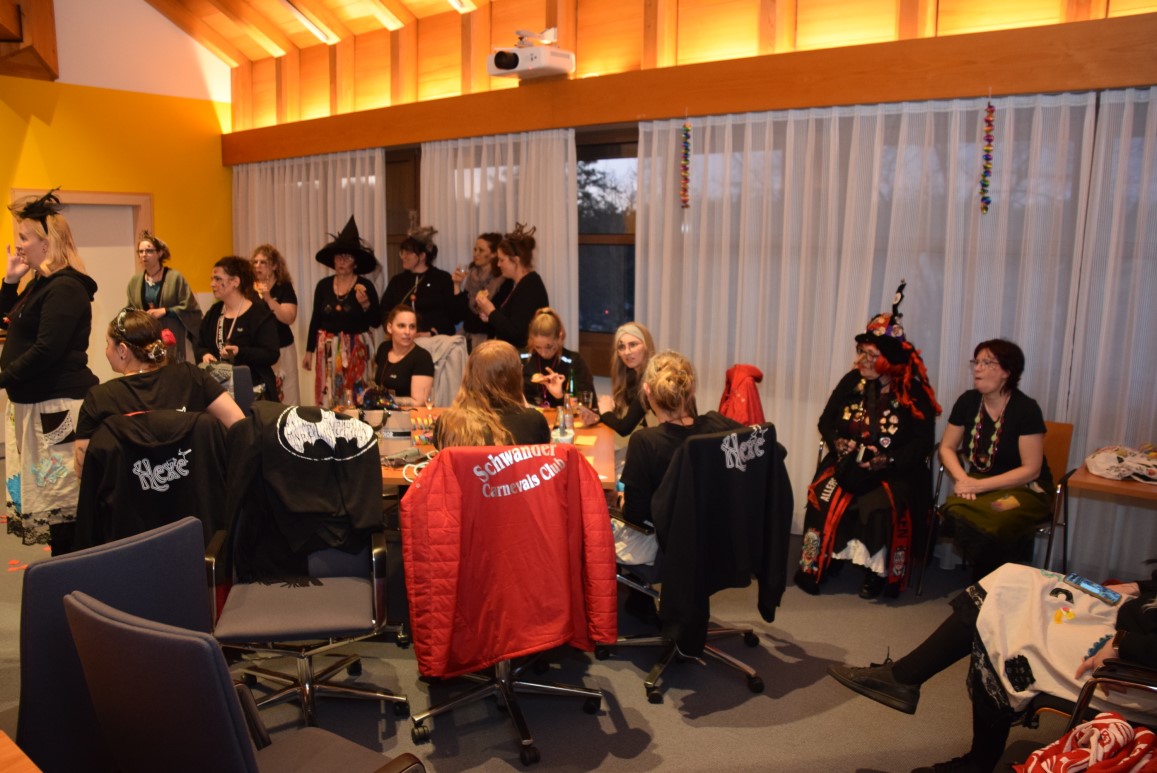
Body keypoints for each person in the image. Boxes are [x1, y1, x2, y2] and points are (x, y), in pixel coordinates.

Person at [827, 561, 1157, 773]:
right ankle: (903, 678)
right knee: (1011, 578)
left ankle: (975, 759)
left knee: (1006, 627)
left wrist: (1121, 646)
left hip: (1133, 659)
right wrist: (1141, 587)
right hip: (1134, 618)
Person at [795, 282, 940, 599]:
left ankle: (878, 572)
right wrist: (838, 444)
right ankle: (824, 558)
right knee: (823, 497)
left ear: (889, 360)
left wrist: (886, 460)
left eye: (871, 355)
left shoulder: (914, 394)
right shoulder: (852, 381)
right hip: (847, 463)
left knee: (877, 506)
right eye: (861, 352)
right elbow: (825, 421)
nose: (862, 359)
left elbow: (922, 444)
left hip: (895, 469)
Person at [1, 190, 98, 553]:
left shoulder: (66, 287)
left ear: (48, 243)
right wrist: (10, 282)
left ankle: (75, 572)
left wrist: (2, 378)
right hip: (36, 405)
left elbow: (47, 350)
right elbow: (7, 322)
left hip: (57, 407)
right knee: (54, 505)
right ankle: (66, 571)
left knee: (64, 504)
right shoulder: (40, 284)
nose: (18, 245)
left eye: (24, 237)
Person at [74, 308, 244, 472]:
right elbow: (238, 423)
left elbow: (83, 468)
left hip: (130, 492)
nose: (106, 350)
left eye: (108, 344)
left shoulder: (100, 398)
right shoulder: (191, 376)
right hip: (196, 488)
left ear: (123, 350)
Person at [615, 350, 744, 566]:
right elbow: (772, 449)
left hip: (665, 546)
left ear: (647, 390)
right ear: (692, 391)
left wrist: (621, 500)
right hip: (717, 541)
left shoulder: (645, 441)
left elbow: (635, 514)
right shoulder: (717, 424)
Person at [938, 339, 1052, 579]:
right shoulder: (968, 401)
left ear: (1006, 372)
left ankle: (989, 585)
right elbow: (946, 447)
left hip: (1024, 490)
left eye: (987, 363)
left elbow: (1031, 470)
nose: (978, 369)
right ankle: (989, 585)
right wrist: (962, 479)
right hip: (976, 483)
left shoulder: (1026, 408)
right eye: (977, 362)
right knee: (955, 509)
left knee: (996, 516)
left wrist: (978, 486)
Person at [302, 216, 381, 407]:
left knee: (357, 395)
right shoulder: (323, 286)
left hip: (357, 349)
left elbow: (376, 321)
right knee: (330, 394)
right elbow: (316, 318)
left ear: (356, 262)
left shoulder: (366, 286)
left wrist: (365, 304)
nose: (342, 261)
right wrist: (309, 351)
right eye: (338, 257)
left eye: (347, 257)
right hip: (328, 349)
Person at [434, 340, 550, 448]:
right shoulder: (534, 422)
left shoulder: (446, 423)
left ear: (469, 375)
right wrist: (524, 404)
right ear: (514, 377)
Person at [196, 256, 280, 402]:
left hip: (253, 391)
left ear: (235, 281)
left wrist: (240, 352)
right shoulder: (214, 313)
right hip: (219, 393)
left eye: (218, 279)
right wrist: (205, 354)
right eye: (212, 279)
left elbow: (271, 354)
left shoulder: (259, 314)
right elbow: (199, 344)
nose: (212, 284)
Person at [125, 230, 202, 363]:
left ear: (160, 253)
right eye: (141, 251)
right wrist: (139, 315)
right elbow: (130, 310)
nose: (144, 255)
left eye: (149, 251)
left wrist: (166, 311)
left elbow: (190, 308)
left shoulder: (175, 278)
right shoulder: (135, 281)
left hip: (172, 339)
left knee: (171, 367)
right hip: (146, 340)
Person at [474, 224, 549, 349]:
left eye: (502, 260)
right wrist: (491, 317)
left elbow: (518, 334)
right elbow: (511, 322)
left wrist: (491, 312)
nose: (498, 264)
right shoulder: (522, 283)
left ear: (516, 260)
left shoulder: (530, 287)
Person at [578, 321, 656, 438]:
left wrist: (606, 412)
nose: (627, 352)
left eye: (633, 344)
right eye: (621, 347)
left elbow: (624, 428)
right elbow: (625, 419)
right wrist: (597, 418)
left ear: (646, 346)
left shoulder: (651, 381)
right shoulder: (630, 376)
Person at [381, 226, 456, 336]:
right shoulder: (397, 281)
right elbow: (385, 312)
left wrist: (431, 333)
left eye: (408, 253)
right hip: (403, 339)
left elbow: (452, 315)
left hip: (434, 340)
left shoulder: (442, 279)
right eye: (402, 252)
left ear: (422, 256)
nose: (403, 257)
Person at [250, 244, 299, 404]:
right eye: (255, 262)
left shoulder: (283, 287)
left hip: (283, 347)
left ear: (274, 266)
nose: (258, 266)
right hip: (259, 351)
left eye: (263, 262)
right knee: (264, 398)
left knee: (288, 395)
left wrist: (269, 299)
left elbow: (289, 317)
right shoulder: (248, 289)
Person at [520, 307, 596, 408]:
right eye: (537, 347)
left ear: (560, 337)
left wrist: (560, 396)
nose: (543, 353)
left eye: (549, 347)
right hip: (529, 414)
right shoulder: (521, 359)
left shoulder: (574, 362)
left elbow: (587, 405)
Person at [373, 305, 434, 408]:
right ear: (389, 328)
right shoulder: (383, 348)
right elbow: (374, 382)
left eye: (412, 327)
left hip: (409, 415)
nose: (407, 332)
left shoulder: (422, 358)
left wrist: (383, 400)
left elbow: (419, 402)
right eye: (401, 326)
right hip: (381, 412)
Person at [452, 232, 504, 350]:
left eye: (481, 250)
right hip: (468, 334)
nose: (475, 254)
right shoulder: (472, 274)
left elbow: (494, 317)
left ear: (493, 254)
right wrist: (457, 285)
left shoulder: (501, 280)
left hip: (490, 339)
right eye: (475, 249)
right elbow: (459, 313)